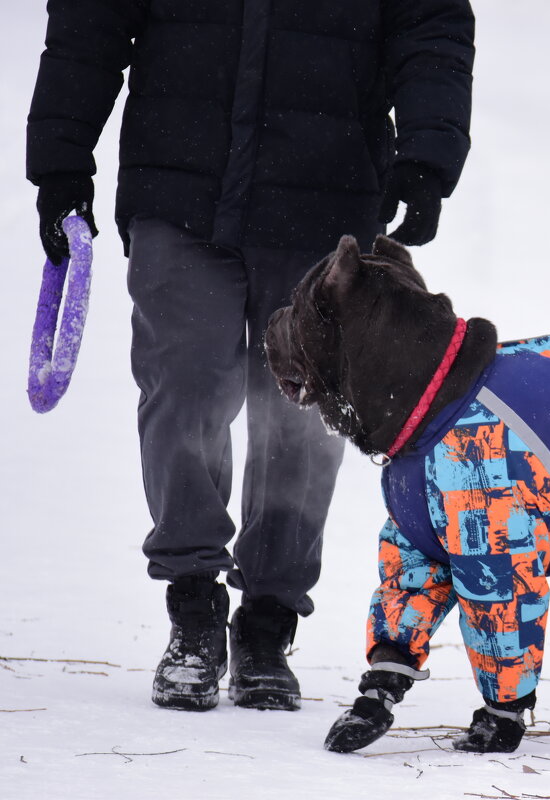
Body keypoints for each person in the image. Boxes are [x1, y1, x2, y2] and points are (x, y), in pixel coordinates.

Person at [26, 0, 475, 712]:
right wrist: (59, 160)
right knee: (186, 385)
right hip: (178, 180)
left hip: (325, 193)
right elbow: (90, 22)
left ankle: (268, 619)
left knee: (298, 415)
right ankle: (194, 604)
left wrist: (427, 153)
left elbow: (430, 24)